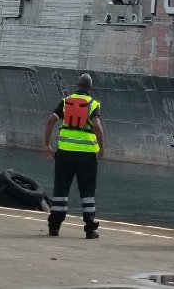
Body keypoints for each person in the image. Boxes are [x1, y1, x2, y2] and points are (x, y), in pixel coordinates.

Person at [43, 73, 105, 239]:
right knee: (87, 192)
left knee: (61, 190)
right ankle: (90, 229)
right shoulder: (92, 104)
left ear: (77, 86)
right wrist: (101, 147)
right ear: (90, 88)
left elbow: (50, 121)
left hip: (64, 154)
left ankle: (54, 227)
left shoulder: (66, 102)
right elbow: (97, 127)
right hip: (86, 156)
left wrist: (47, 144)